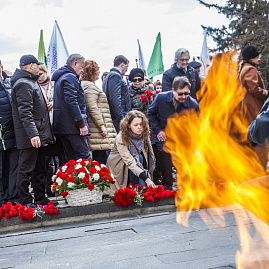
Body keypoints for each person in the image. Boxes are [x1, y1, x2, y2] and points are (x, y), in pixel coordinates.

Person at [11, 55, 55, 207]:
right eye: (37, 65)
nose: (39, 67)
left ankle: (40, 199)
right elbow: (25, 113)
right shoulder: (24, 83)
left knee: (38, 169)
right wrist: (33, 134)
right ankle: (25, 201)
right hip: (30, 136)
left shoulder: (29, 81)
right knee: (26, 168)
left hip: (37, 134)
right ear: (31, 66)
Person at [148, 76, 199, 190]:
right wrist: (158, 130)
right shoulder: (161, 98)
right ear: (173, 90)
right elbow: (151, 114)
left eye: (186, 93)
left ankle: (185, 185)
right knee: (165, 155)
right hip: (163, 134)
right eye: (180, 94)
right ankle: (168, 185)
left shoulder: (193, 104)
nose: (183, 97)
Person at [52, 53, 91, 162]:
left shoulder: (60, 77)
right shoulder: (70, 77)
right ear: (75, 63)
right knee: (83, 157)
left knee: (70, 159)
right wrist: (81, 123)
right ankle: (85, 179)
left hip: (63, 126)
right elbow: (72, 101)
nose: (82, 70)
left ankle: (71, 179)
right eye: (82, 67)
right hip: (73, 126)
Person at [106, 110, 156, 195]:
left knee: (140, 158)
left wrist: (148, 178)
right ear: (128, 125)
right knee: (138, 158)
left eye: (141, 124)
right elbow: (129, 161)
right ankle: (134, 190)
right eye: (136, 125)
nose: (139, 127)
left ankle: (142, 190)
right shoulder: (121, 137)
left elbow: (147, 157)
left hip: (136, 164)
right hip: (120, 165)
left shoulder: (144, 135)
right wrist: (146, 179)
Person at [81, 60, 116, 164]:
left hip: (95, 128)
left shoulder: (86, 85)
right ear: (92, 71)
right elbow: (92, 107)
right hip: (97, 130)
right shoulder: (89, 86)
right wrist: (101, 125)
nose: (98, 73)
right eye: (97, 70)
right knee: (100, 160)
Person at [239, 45, 269, 169]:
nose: (258, 59)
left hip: (247, 106)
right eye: (257, 57)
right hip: (254, 107)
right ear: (251, 58)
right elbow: (254, 88)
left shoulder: (243, 68)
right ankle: (258, 169)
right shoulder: (250, 69)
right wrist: (266, 93)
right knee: (258, 137)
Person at [0, 59, 19, 206]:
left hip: (12, 133)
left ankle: (13, 198)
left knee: (13, 167)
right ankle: (2, 199)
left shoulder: (10, 84)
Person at [102, 55, 131, 133]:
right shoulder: (115, 76)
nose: (127, 70)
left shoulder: (109, 76)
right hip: (117, 118)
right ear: (122, 65)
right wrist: (121, 119)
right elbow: (115, 98)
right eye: (126, 66)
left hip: (115, 117)